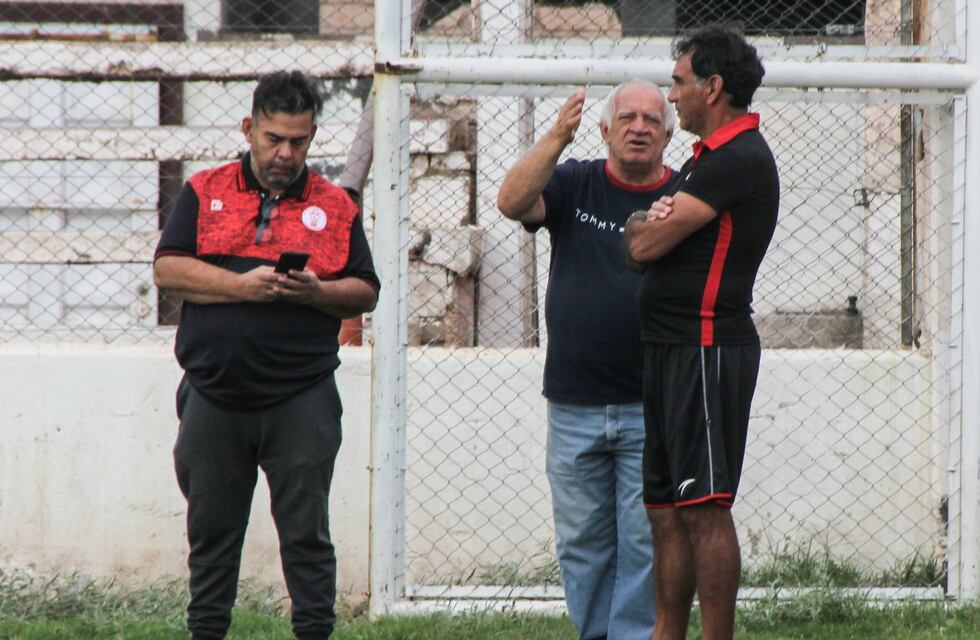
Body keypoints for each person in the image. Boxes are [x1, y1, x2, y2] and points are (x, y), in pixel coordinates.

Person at [154, 70, 380, 640]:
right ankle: (206, 632)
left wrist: (320, 293)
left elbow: (367, 290)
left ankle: (313, 632)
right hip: (213, 395)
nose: (286, 153)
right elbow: (167, 270)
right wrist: (241, 286)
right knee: (211, 535)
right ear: (249, 128)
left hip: (300, 396)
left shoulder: (335, 205)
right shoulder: (204, 191)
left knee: (306, 535)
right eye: (274, 138)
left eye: (299, 141)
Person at [497, 81, 677, 640]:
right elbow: (511, 202)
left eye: (652, 119)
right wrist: (555, 137)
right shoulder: (575, 181)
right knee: (581, 538)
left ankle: (630, 635)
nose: (639, 127)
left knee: (644, 537)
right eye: (626, 117)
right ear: (603, 130)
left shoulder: (687, 192)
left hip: (652, 400)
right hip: (574, 402)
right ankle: (594, 633)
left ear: (669, 134)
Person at [625, 27, 778, 640]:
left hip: (707, 349)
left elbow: (645, 244)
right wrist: (647, 221)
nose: (672, 96)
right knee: (666, 512)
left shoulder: (738, 157)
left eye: (680, 83)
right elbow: (643, 232)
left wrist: (649, 224)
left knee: (706, 508)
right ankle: (667, 633)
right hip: (667, 352)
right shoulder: (704, 160)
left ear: (714, 88)